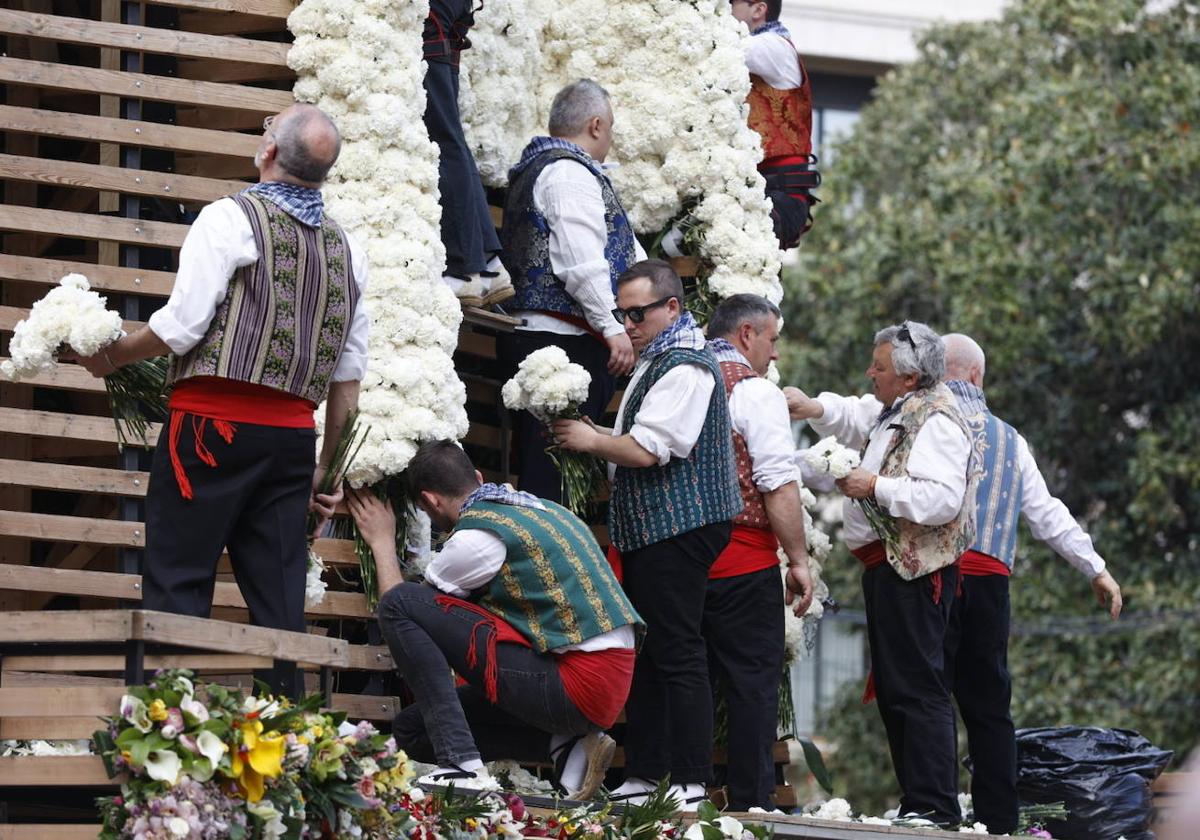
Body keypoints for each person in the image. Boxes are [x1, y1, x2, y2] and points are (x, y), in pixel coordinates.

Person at [74, 104, 368, 696]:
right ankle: (286, 752)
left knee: (178, 582)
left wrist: (110, 357)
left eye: (265, 128)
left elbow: (180, 328)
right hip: (291, 440)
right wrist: (325, 469)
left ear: (268, 152)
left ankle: (167, 742)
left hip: (209, 428)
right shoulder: (347, 249)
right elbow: (347, 379)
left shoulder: (229, 218)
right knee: (278, 599)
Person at [553, 259, 741, 811]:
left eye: (638, 313)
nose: (629, 323)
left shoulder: (686, 365)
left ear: (672, 307)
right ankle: (649, 773)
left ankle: (688, 779)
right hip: (657, 525)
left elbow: (649, 448)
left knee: (678, 650)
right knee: (654, 652)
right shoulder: (660, 358)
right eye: (622, 313)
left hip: (681, 523)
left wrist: (589, 440)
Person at [356, 440, 642, 797]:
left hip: (574, 685)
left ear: (430, 501)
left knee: (401, 603)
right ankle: (565, 748)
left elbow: (405, 609)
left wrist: (382, 543)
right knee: (413, 731)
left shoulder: (476, 538)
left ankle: (461, 763)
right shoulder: (545, 509)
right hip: (605, 688)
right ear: (476, 477)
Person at [785, 321, 977, 827]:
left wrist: (877, 486)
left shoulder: (936, 418)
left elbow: (942, 499)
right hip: (887, 570)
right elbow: (853, 413)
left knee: (918, 686)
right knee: (896, 688)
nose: (870, 372)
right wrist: (812, 409)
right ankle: (920, 800)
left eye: (880, 366)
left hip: (916, 573)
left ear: (909, 379)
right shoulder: (897, 409)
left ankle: (935, 805)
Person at [941, 333, 1124, 834]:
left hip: (933, 579)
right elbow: (1048, 515)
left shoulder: (924, 422)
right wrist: (1096, 568)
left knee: (929, 696)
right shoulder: (1009, 439)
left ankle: (934, 810)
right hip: (990, 585)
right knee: (990, 708)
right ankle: (998, 822)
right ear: (977, 375)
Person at [499, 79, 644, 503]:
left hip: (543, 339)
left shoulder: (541, 167)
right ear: (596, 125)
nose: (612, 138)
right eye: (612, 127)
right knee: (551, 473)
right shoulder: (568, 172)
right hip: (560, 345)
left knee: (551, 465)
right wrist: (613, 326)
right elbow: (581, 261)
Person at [704, 294, 815, 810]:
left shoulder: (670, 375)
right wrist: (797, 559)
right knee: (752, 683)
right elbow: (775, 480)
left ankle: (680, 790)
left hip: (676, 561)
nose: (774, 354)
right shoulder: (754, 392)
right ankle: (750, 802)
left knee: (686, 676)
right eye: (772, 339)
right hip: (741, 559)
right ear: (747, 334)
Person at [423, 0, 512, 307]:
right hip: (445, 10)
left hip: (434, 11)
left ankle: (463, 270)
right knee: (450, 137)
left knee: (442, 137)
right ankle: (487, 263)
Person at [728, 0, 820, 248]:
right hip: (757, 190)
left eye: (730, 4)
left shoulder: (773, 46)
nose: (724, 11)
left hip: (780, 196)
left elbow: (718, 47)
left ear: (758, 9)